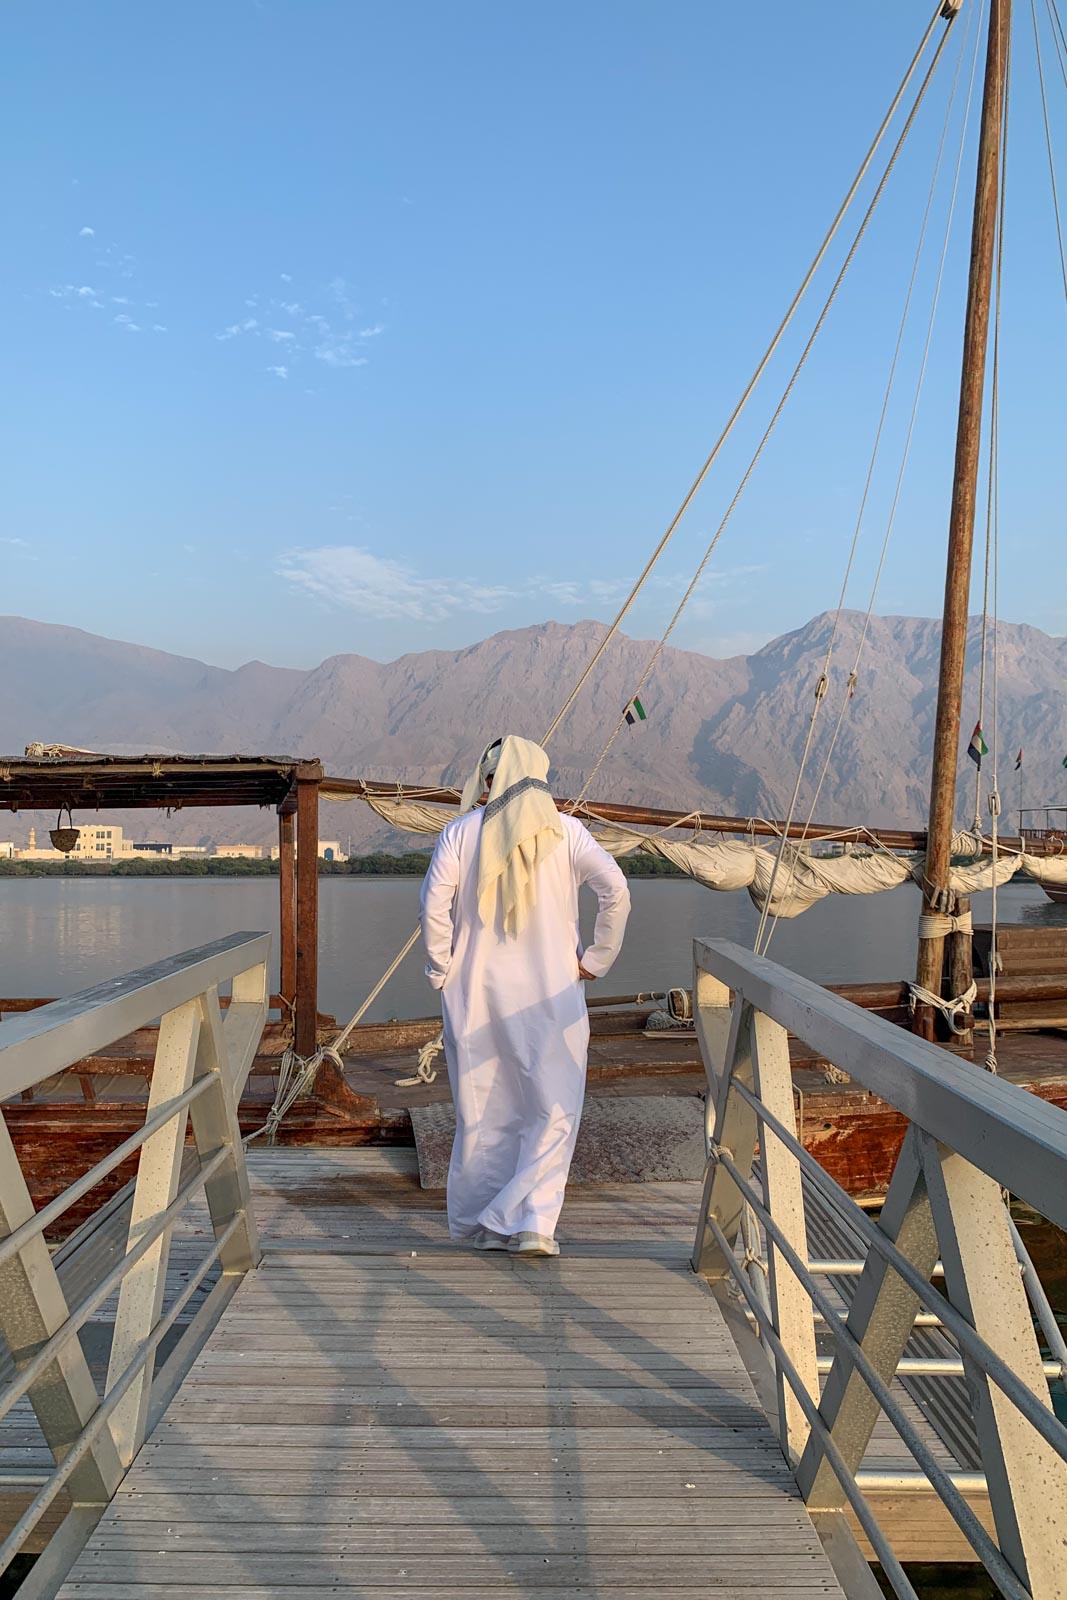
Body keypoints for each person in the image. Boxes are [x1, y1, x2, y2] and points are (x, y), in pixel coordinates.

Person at [419, 734, 630, 1257]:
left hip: (473, 993)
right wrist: (596, 960)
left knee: (483, 1109)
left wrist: (441, 968)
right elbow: (616, 892)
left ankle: (483, 1225)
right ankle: (532, 1222)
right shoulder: (568, 832)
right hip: (551, 993)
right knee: (553, 1104)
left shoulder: (461, 833)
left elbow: (432, 906)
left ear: (491, 779)